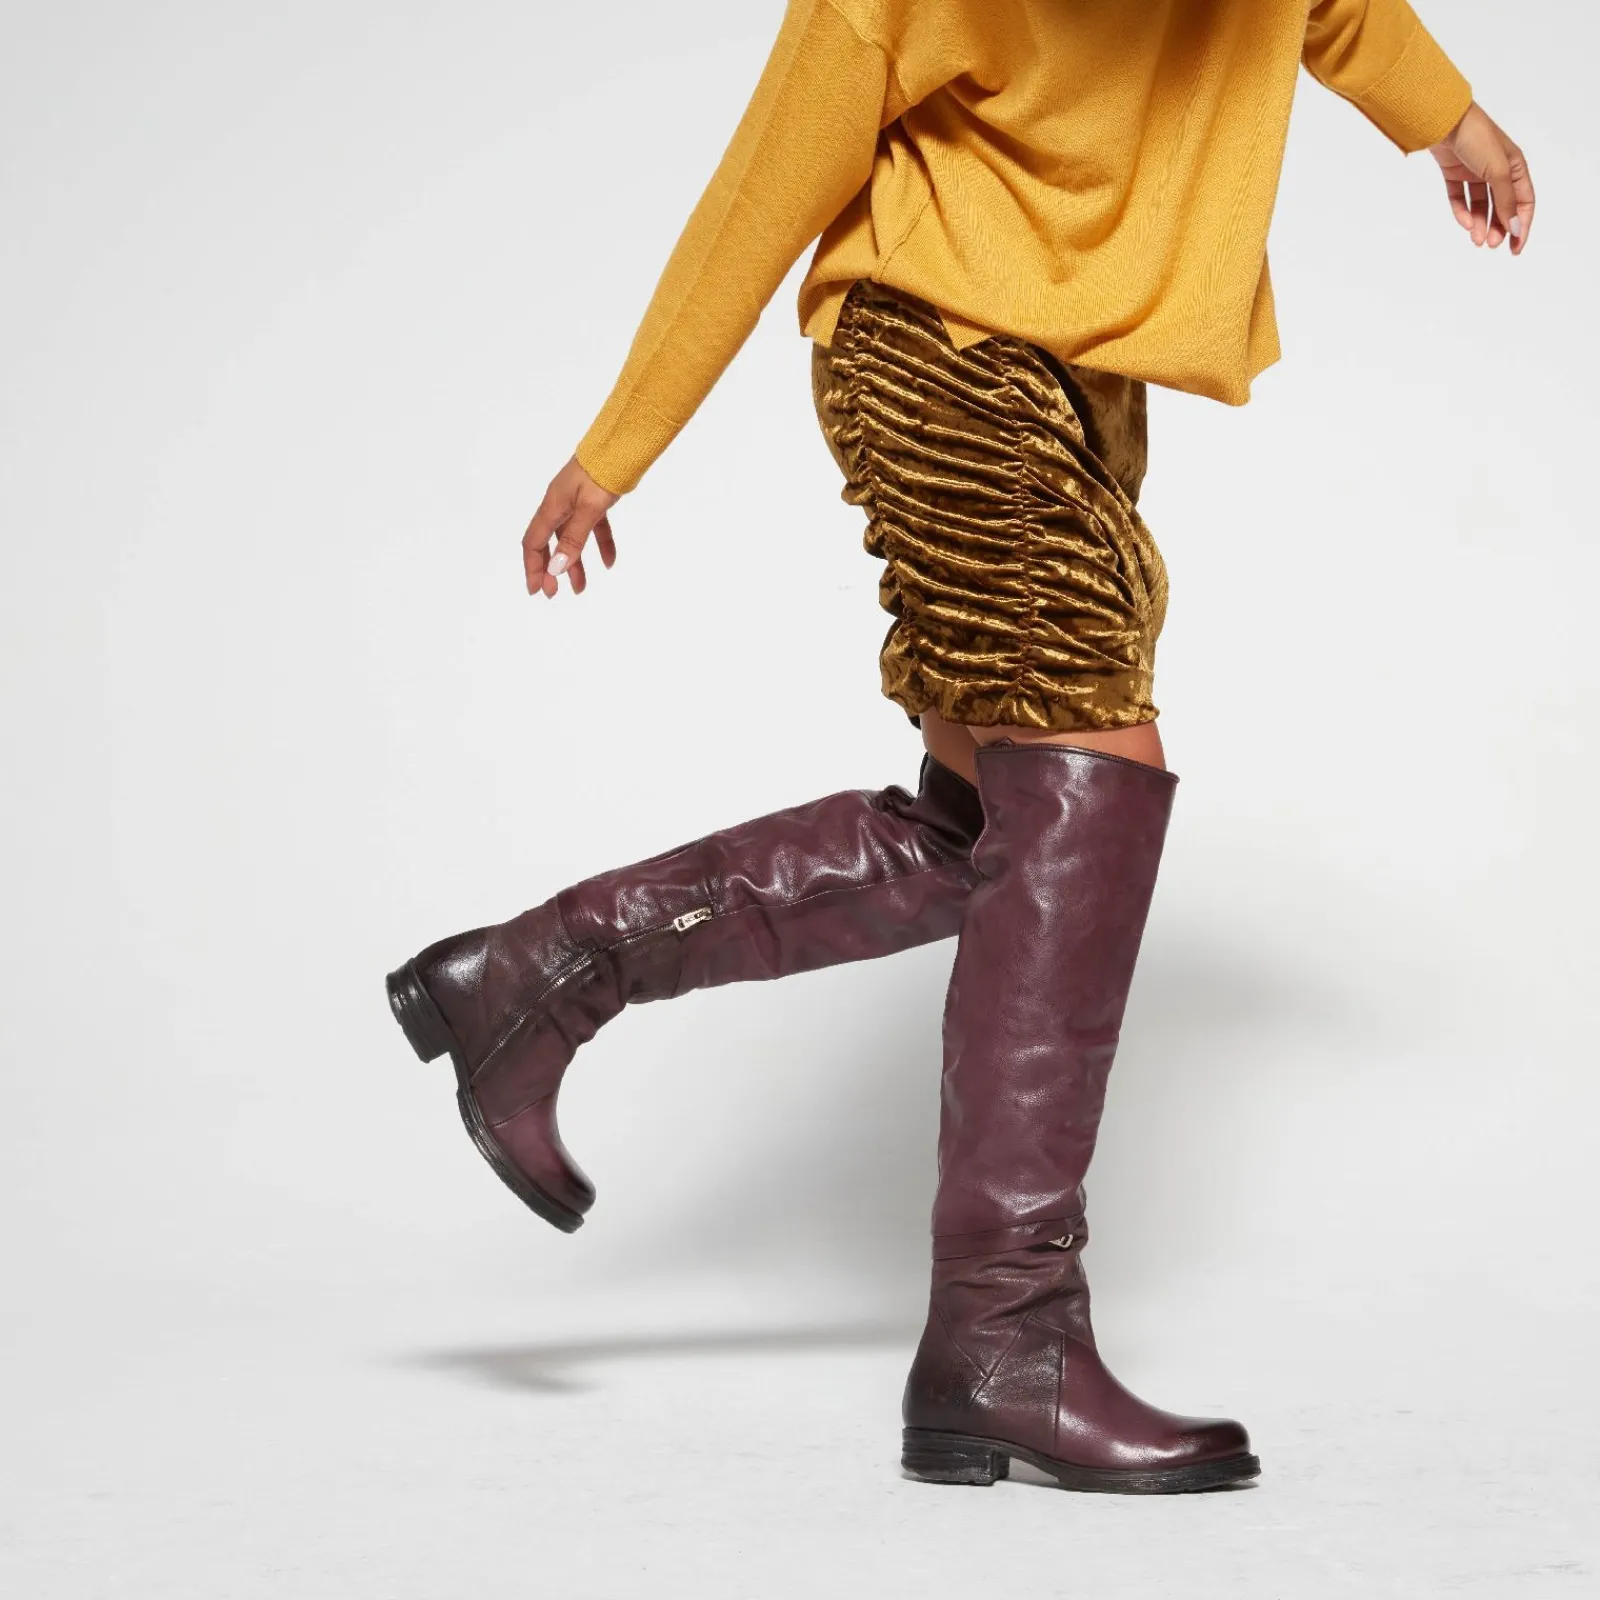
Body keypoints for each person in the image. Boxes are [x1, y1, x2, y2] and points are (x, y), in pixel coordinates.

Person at [385, 0, 1534, 1494]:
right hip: (937, 358)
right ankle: (1007, 1337)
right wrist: (618, 448)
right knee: (1093, 779)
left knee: (985, 830)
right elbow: (763, 187)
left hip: (1080, 378)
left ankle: (532, 980)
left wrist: (1449, 119)